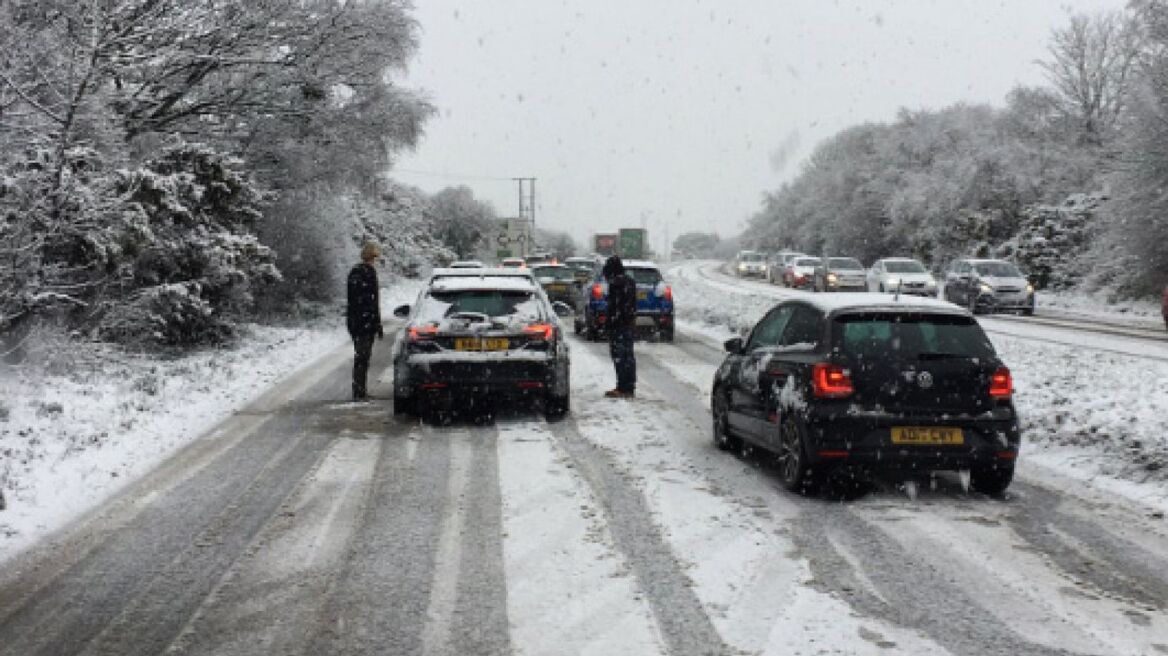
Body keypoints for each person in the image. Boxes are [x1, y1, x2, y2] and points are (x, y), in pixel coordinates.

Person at [347, 242, 384, 400]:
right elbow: (373, 301)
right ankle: (359, 391)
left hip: (357, 321)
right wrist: (376, 322)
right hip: (364, 321)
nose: (374, 261)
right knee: (363, 357)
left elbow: (354, 299)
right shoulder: (367, 272)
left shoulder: (355, 272)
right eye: (374, 257)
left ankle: (359, 389)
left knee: (361, 356)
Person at [602, 255, 637, 398]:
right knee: (627, 356)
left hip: (619, 325)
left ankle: (623, 387)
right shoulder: (629, 282)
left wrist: (610, 322)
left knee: (620, 357)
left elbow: (615, 307)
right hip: (627, 325)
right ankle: (628, 386)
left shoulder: (617, 284)